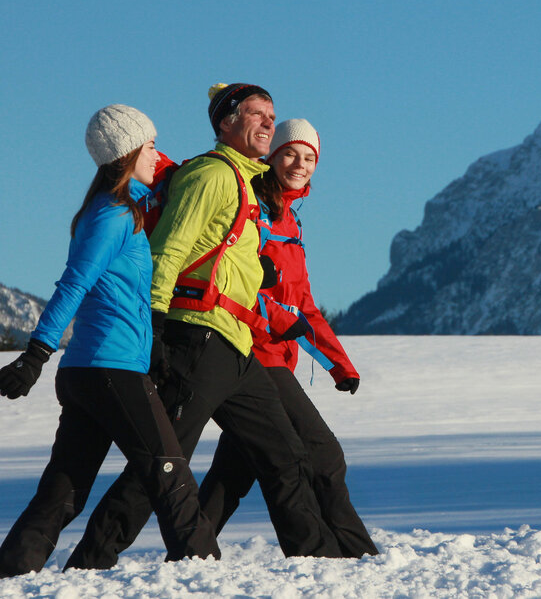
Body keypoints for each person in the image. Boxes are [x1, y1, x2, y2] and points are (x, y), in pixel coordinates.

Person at [65, 85, 343, 570]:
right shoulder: (212, 176)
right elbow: (168, 251)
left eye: (271, 116)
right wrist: (152, 324)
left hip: (234, 343)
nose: (266, 124)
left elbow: (227, 261)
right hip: (195, 339)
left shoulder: (246, 183)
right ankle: (93, 560)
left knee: (286, 456)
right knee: (162, 465)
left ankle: (320, 564)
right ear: (225, 124)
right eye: (255, 114)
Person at [0, 105, 220, 577]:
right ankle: (204, 569)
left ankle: (13, 573)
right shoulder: (114, 215)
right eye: (152, 144)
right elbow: (73, 284)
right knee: (169, 471)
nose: (158, 153)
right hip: (109, 368)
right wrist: (35, 355)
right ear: (126, 152)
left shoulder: (121, 210)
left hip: (95, 370)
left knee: (65, 490)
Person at [199, 119, 378, 557]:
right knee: (323, 455)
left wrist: (340, 363)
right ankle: (354, 554)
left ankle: (191, 547)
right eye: (291, 153)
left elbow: (305, 306)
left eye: (310, 157)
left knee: (235, 470)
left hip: (277, 354)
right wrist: (277, 320)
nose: (300, 164)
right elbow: (237, 284)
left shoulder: (289, 221)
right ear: (272, 155)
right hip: (252, 352)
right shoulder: (252, 209)